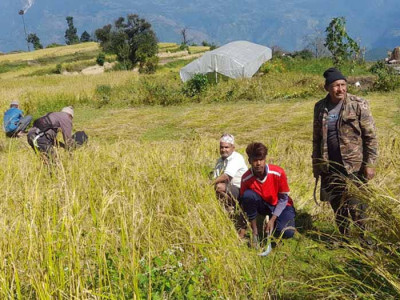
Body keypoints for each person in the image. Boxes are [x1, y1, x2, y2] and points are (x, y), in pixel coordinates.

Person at [312, 67, 378, 235]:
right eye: (335, 85)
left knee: (358, 207)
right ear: (326, 87)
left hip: (354, 166)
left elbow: (370, 136)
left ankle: (366, 243)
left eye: (343, 84)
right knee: (338, 205)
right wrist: (316, 164)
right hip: (330, 166)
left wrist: (370, 163)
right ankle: (345, 238)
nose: (340, 89)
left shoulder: (357, 104)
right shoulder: (320, 107)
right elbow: (317, 138)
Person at [240, 142, 296, 246]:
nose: (258, 163)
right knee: (247, 195)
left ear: (265, 159)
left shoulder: (278, 173)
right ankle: (255, 233)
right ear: (249, 161)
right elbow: (245, 204)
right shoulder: (246, 178)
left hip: (281, 205)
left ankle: (274, 228)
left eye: (261, 160)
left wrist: (272, 219)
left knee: (288, 232)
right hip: (264, 205)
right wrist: (245, 229)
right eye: (255, 160)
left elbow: (283, 199)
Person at [212, 133, 248, 235]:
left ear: (233, 148)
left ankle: (236, 209)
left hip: (241, 189)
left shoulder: (236, 158)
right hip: (230, 189)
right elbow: (216, 176)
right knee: (217, 187)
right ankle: (231, 212)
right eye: (221, 147)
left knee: (219, 187)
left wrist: (209, 184)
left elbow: (226, 176)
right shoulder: (220, 161)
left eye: (226, 147)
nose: (223, 150)